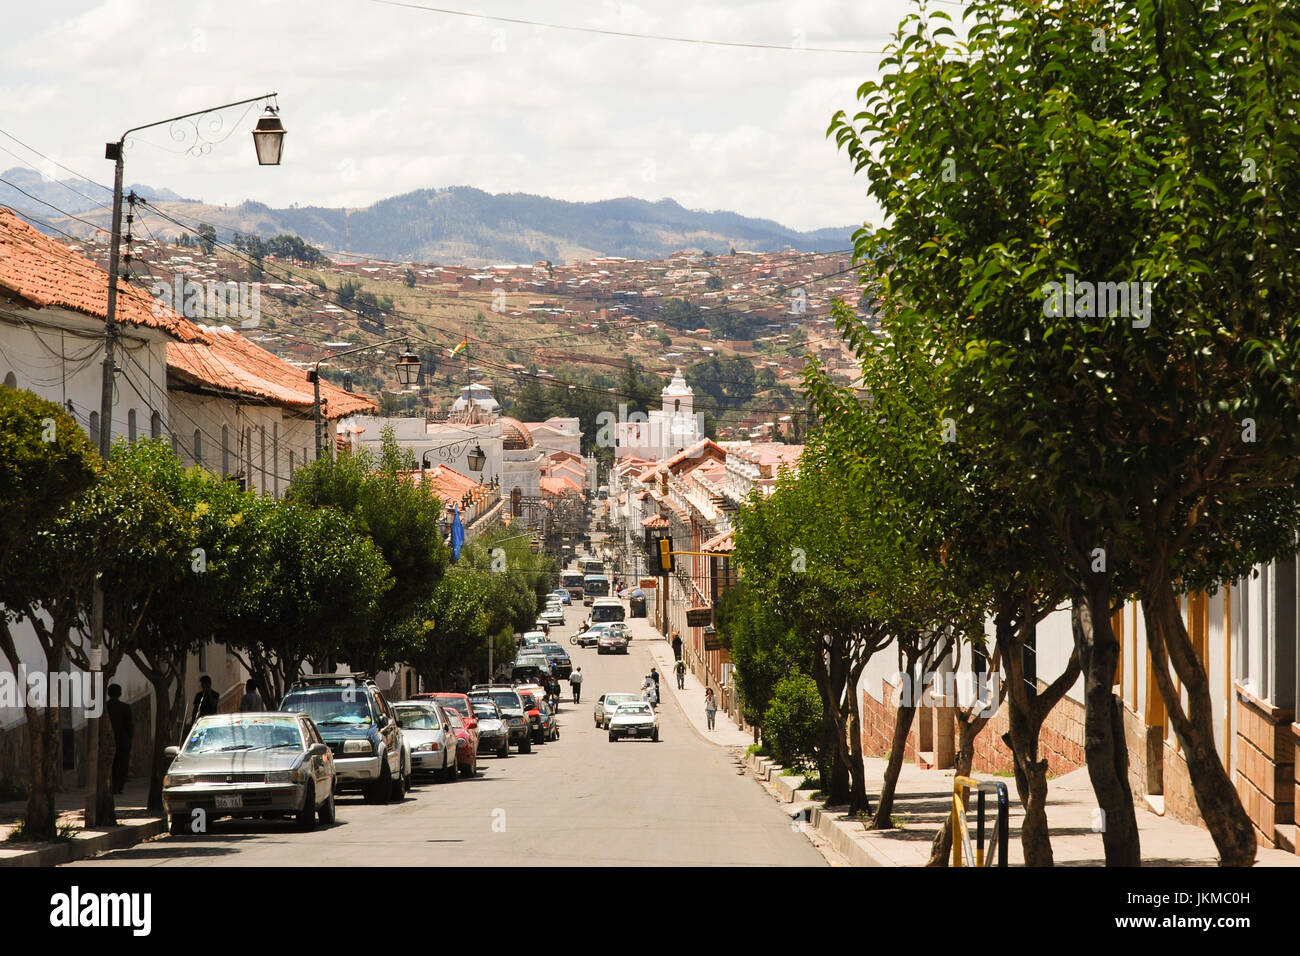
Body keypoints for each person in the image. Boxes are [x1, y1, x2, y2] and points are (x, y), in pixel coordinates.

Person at [105, 683, 133, 795]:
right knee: (122, 764)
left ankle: (110, 785)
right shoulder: (125, 708)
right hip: (122, 741)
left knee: (109, 764)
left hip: (107, 741)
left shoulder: (105, 707)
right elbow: (129, 726)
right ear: (120, 694)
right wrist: (129, 738)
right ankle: (118, 786)